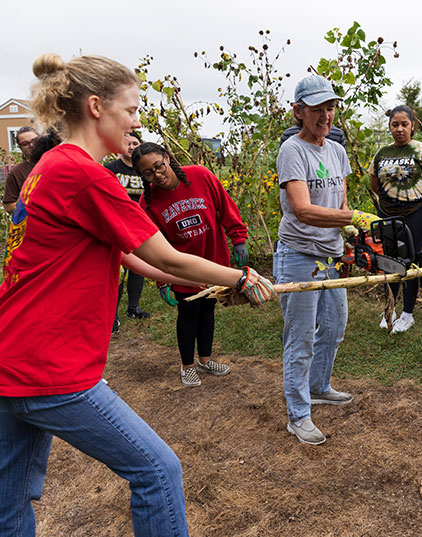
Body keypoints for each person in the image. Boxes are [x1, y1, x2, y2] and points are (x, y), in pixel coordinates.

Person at [0, 52, 276, 537]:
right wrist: (241, 278)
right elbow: (167, 255)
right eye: (130, 109)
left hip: (10, 356)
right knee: (157, 471)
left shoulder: (49, 167)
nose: (137, 121)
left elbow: (123, 254)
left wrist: (177, 283)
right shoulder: (87, 175)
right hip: (49, 365)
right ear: (95, 107)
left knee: (10, 505)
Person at [274, 74, 379, 446]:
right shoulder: (292, 150)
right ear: (298, 111)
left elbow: (341, 202)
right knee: (300, 337)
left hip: (330, 255)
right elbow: (302, 209)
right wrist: (353, 219)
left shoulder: (336, 150)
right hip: (299, 255)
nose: (325, 115)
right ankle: (298, 414)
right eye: (317, 108)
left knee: (334, 325)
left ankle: (318, 386)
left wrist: (350, 232)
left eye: (330, 107)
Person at [132, 142, 249, 387]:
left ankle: (206, 360)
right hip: (183, 270)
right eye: (148, 173)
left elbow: (225, 206)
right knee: (188, 313)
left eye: (159, 166)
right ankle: (188, 366)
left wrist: (238, 238)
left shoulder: (200, 176)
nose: (158, 175)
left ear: (167, 157)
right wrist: (162, 280)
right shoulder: (149, 202)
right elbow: (153, 245)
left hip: (213, 261)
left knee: (208, 309)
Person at [369, 105, 422, 333]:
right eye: (395, 124)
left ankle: (407, 314)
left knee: (409, 262)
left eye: (404, 124)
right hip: (387, 215)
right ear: (389, 126)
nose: (400, 129)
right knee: (389, 263)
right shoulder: (382, 154)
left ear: (413, 126)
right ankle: (389, 310)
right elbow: (373, 181)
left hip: (415, 215)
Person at [105, 131, 150, 330]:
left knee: (138, 268)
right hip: (117, 225)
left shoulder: (145, 170)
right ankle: (112, 316)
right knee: (118, 271)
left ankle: (134, 307)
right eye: (127, 143)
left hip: (140, 225)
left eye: (135, 143)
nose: (131, 147)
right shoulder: (110, 169)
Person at [2, 126, 39, 214]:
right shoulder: (16, 173)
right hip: (32, 223)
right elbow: (9, 206)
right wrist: (32, 205)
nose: (31, 145)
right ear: (20, 147)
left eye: (35, 140)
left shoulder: (54, 162)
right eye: (25, 144)